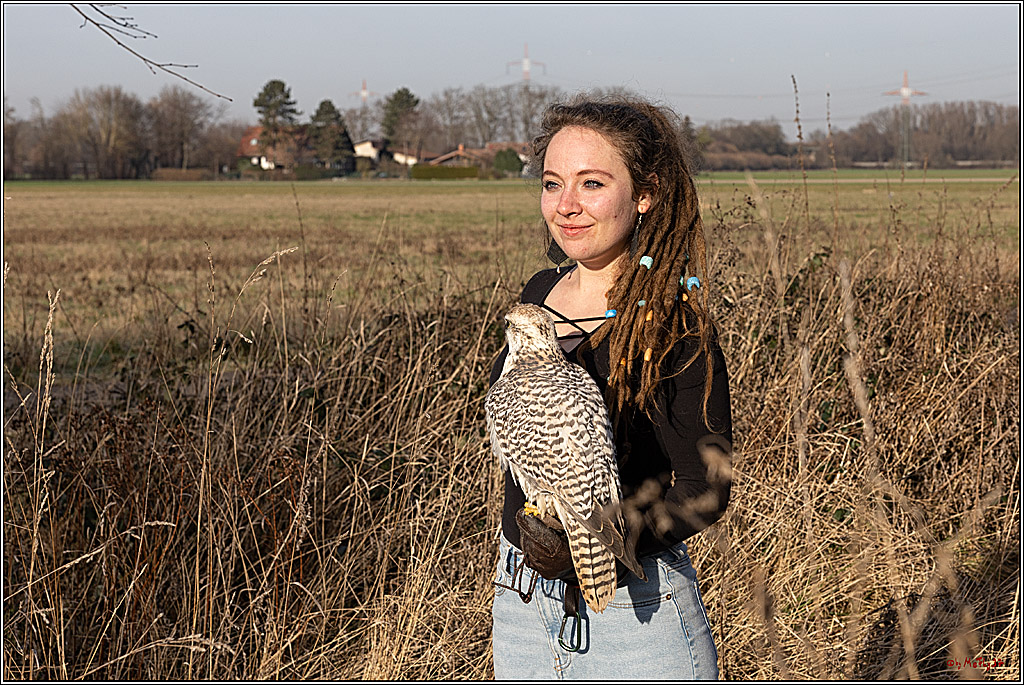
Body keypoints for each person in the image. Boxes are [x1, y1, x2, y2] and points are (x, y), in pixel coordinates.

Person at [488, 95, 733, 680]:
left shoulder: (674, 326)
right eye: (552, 184)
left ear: (644, 193)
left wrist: (602, 543)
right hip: (520, 602)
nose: (565, 205)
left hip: (633, 614)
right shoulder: (539, 293)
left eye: (591, 184)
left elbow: (707, 487)